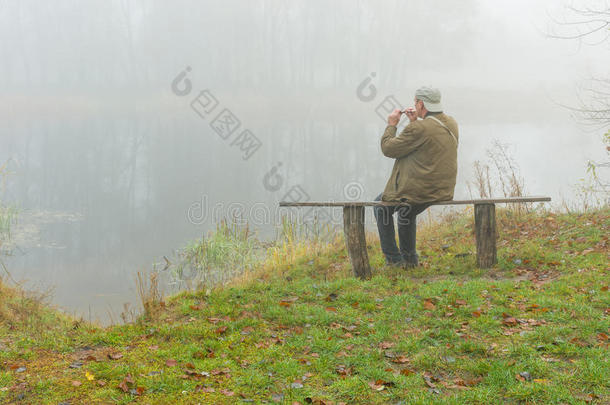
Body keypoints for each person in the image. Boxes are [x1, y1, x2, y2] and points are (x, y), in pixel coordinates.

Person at [374, 86, 459, 268]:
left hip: (421, 191)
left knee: (381, 206)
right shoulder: (451, 123)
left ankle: (394, 261)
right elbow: (425, 147)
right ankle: (410, 260)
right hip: (442, 190)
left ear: (420, 104)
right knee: (406, 211)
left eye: (415, 102)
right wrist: (414, 123)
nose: (414, 105)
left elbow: (388, 148)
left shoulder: (420, 128)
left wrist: (392, 125)